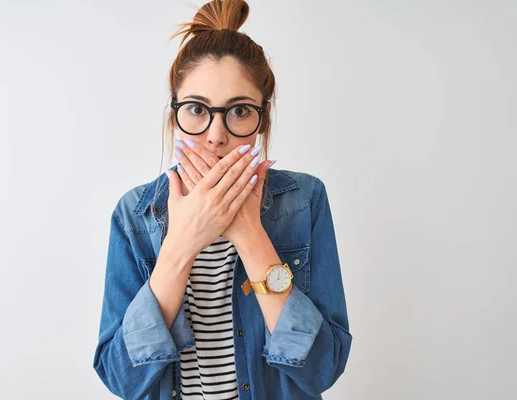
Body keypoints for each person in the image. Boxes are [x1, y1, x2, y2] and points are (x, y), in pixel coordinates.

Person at [92, 1, 352, 399]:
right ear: (173, 114)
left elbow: (322, 368)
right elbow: (120, 378)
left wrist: (249, 234)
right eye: (197, 109)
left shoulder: (304, 200)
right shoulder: (135, 214)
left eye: (239, 110)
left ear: (261, 119)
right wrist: (181, 244)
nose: (216, 135)